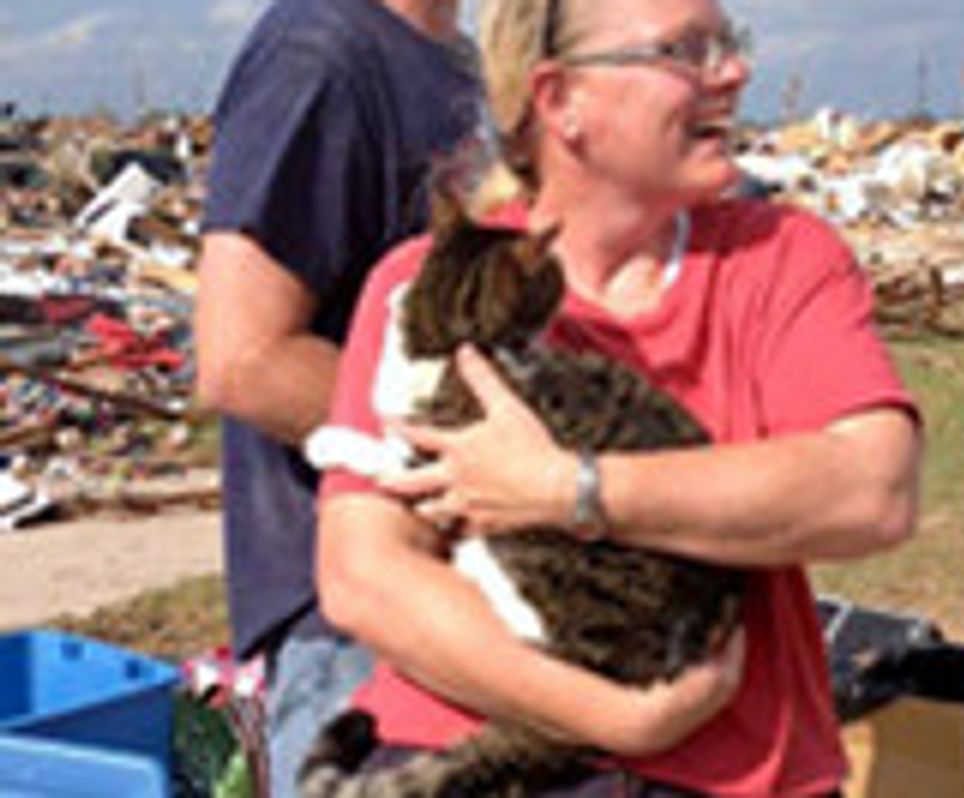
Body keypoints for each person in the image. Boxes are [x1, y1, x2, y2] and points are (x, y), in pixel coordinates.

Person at [315, 0, 923, 794]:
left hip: (734, 776)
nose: (733, 73)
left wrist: (568, 488)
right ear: (561, 98)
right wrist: (618, 718)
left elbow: (872, 492)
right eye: (687, 51)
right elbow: (366, 576)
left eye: (729, 44)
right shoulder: (426, 283)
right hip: (473, 763)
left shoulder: (780, 259)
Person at [193, 0, 480, 793]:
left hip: (462, 604)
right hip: (352, 625)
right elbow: (245, 358)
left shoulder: (460, 65)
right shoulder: (320, 52)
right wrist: (480, 463)